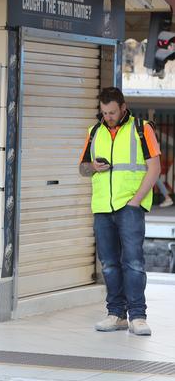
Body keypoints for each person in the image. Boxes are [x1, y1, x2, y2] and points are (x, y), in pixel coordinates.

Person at [79, 87, 160, 336]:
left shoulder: (141, 128)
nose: (108, 117)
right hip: (102, 207)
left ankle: (137, 316)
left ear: (123, 107)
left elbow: (154, 168)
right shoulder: (94, 131)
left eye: (112, 112)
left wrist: (135, 201)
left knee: (133, 263)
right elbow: (82, 168)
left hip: (129, 207)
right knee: (109, 265)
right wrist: (92, 166)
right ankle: (116, 315)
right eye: (104, 112)